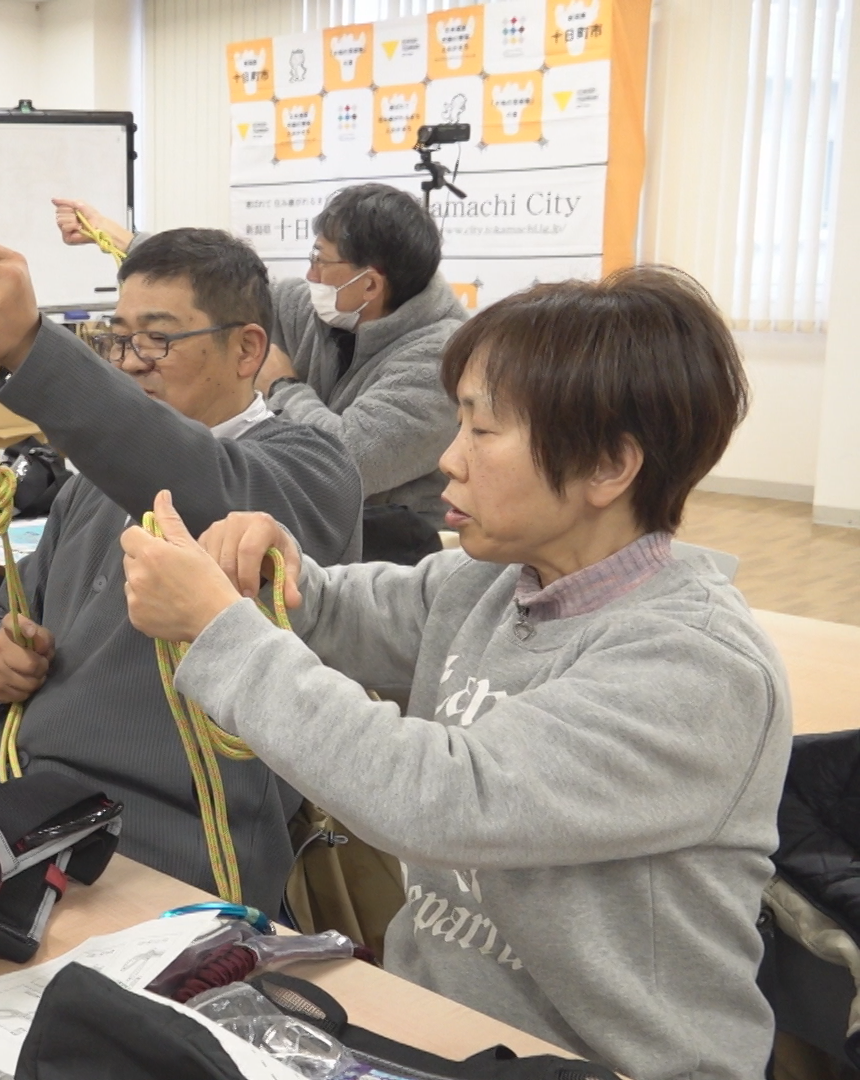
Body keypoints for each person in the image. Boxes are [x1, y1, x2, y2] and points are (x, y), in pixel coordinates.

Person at [119, 267, 786, 1080]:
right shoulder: (493, 580)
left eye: (482, 430)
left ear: (609, 466)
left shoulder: (696, 668)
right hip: (439, 1032)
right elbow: (349, 610)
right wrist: (272, 573)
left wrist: (222, 633)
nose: (448, 459)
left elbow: (435, 796)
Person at [0, 230, 363, 910]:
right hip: (13, 802)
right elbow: (10, 607)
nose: (130, 362)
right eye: (118, 339)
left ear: (247, 349)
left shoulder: (307, 470)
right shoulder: (92, 483)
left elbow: (199, 480)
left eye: (158, 340)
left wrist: (35, 347)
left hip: (168, 845)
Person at [58, 187, 466, 560]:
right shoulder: (316, 307)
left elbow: (347, 462)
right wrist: (124, 240)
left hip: (384, 550)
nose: (311, 275)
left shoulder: (442, 359)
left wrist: (282, 386)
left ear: (371, 285)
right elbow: (222, 292)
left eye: (320, 261)